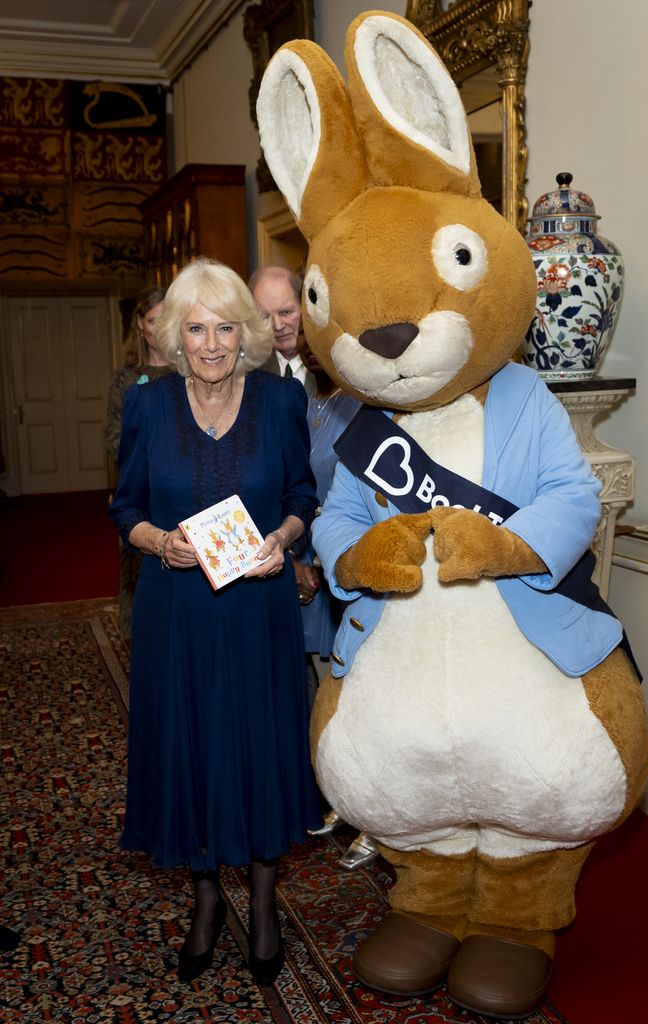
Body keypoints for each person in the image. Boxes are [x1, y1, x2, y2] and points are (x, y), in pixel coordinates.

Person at [109, 257, 321, 988]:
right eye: (195, 328)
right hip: (177, 614)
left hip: (258, 608)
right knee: (192, 747)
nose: (209, 343)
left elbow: (301, 491)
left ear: (247, 333)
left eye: (224, 327)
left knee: (258, 746)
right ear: (172, 334)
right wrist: (155, 543)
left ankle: (263, 903)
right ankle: (204, 900)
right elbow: (126, 507)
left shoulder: (279, 402)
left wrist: (283, 539)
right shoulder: (148, 406)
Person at [291, 335, 379, 871]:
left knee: (355, 698)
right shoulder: (295, 394)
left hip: (349, 571)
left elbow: (367, 498)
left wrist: (324, 562)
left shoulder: (366, 402)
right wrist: (291, 561)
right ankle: (334, 798)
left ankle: (373, 818)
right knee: (314, 698)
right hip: (295, 569)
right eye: (301, 333)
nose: (308, 343)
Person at [105, 285, 171, 638]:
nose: (160, 328)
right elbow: (114, 438)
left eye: (166, 319)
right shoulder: (126, 378)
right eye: (153, 320)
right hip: (139, 494)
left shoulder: (189, 372)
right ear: (141, 326)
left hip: (176, 492)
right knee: (139, 576)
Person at [248, 266, 314, 395]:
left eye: (285, 312)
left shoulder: (330, 369)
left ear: (304, 307)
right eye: (265, 317)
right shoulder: (250, 371)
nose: (277, 326)